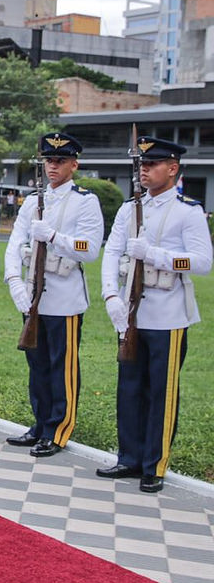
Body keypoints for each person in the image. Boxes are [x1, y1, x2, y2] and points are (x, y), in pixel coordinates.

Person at [98, 136, 212, 493]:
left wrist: (158, 255)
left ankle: (154, 463)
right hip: (132, 313)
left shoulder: (187, 211)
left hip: (167, 316)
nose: (144, 170)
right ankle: (129, 457)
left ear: (173, 169)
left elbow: (203, 263)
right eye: (142, 165)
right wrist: (111, 296)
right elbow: (111, 252)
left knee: (160, 392)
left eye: (152, 165)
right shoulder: (129, 208)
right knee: (129, 389)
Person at [3, 133, 103, 457]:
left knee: (62, 367)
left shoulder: (85, 201)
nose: (53, 166)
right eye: (49, 160)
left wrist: (56, 237)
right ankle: (40, 424)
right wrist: (14, 282)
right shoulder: (33, 201)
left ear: (74, 164)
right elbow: (14, 243)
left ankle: (58, 430)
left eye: (60, 160)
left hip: (65, 298)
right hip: (33, 297)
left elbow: (90, 250)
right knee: (37, 365)